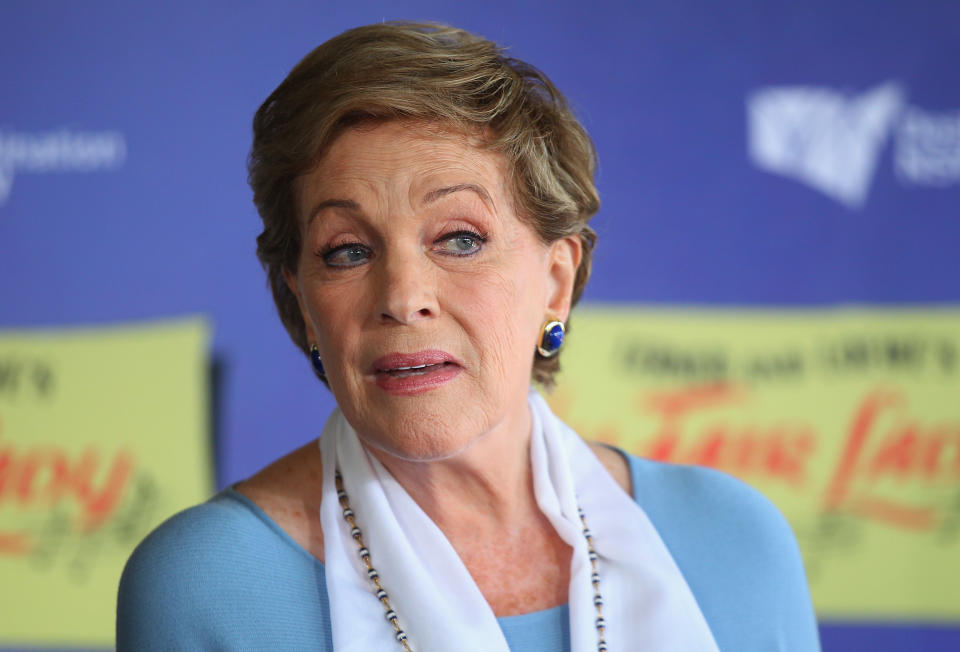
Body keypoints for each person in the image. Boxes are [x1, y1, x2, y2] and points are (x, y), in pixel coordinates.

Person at [117, 22, 820, 651]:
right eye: (347, 251)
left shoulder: (735, 542)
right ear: (303, 304)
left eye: (458, 238)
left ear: (555, 280)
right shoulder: (207, 585)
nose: (403, 298)